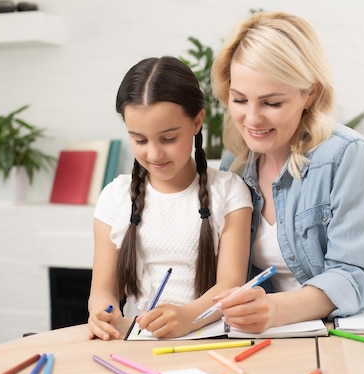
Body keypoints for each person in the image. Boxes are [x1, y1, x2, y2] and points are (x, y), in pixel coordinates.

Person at [210, 11, 364, 334]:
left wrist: (273, 308)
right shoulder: (235, 162)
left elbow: (355, 274)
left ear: (310, 94)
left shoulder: (347, 156)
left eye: (272, 103)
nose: (252, 119)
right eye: (239, 99)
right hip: (285, 336)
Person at [87, 56, 252, 340]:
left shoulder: (229, 191)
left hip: (209, 339)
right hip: (139, 340)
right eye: (139, 140)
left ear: (197, 121)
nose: (153, 154)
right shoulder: (115, 197)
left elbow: (230, 283)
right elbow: (103, 290)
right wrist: (103, 310)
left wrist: (188, 316)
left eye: (168, 139)